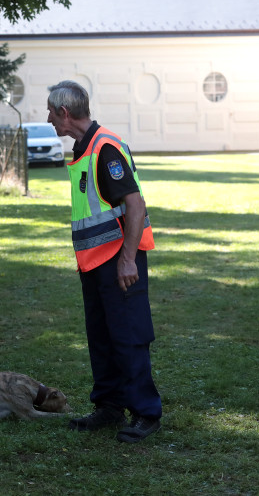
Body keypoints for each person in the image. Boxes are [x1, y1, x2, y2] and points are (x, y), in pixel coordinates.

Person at [46, 80, 162, 443]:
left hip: (119, 263)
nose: (47, 118)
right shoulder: (84, 148)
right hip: (94, 264)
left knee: (128, 338)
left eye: (51, 112)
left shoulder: (105, 148)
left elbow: (135, 206)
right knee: (101, 338)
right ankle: (109, 406)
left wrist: (128, 260)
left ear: (65, 113)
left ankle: (145, 412)